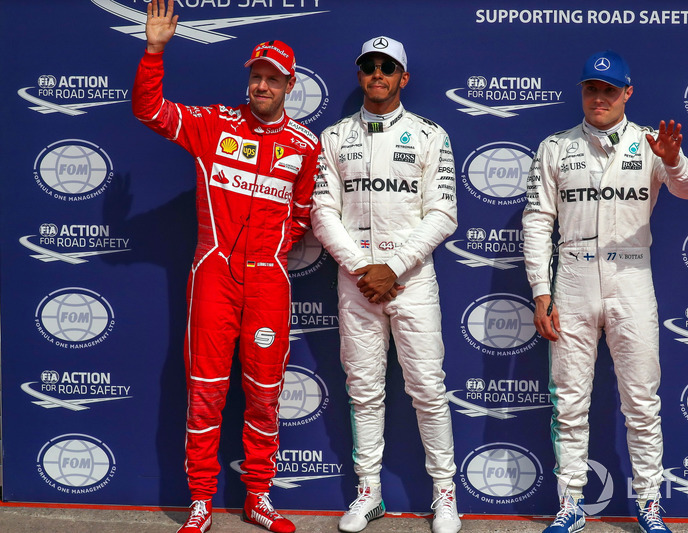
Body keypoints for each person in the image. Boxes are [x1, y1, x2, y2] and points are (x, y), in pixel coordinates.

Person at [132, 1, 320, 532]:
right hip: (213, 274)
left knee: (265, 393)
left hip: (267, 282)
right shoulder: (214, 125)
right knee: (207, 390)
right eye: (256, 77)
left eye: (272, 80)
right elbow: (150, 111)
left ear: (289, 86)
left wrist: (272, 251)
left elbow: (304, 213)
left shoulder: (305, 146)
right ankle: (200, 500)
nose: (261, 86)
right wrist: (154, 50)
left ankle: (257, 496)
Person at [522, 50, 688, 533]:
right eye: (590, 89)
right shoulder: (555, 147)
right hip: (574, 280)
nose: (599, 97)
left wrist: (675, 160)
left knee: (642, 400)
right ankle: (570, 504)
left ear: (627, 93)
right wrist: (541, 290)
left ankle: (648, 502)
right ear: (582, 92)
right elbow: (538, 221)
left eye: (608, 89)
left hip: (631, 278)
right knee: (569, 400)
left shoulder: (651, 144)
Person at [311, 36, 461, 533]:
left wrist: (393, 266)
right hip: (357, 283)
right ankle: (368, 491)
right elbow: (322, 212)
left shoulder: (429, 135)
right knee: (363, 390)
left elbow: (443, 214)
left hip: (412, 281)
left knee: (428, 390)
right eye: (369, 67)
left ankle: (444, 494)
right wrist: (362, 268)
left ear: (403, 77)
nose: (378, 74)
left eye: (387, 67)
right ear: (360, 76)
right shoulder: (333, 139)